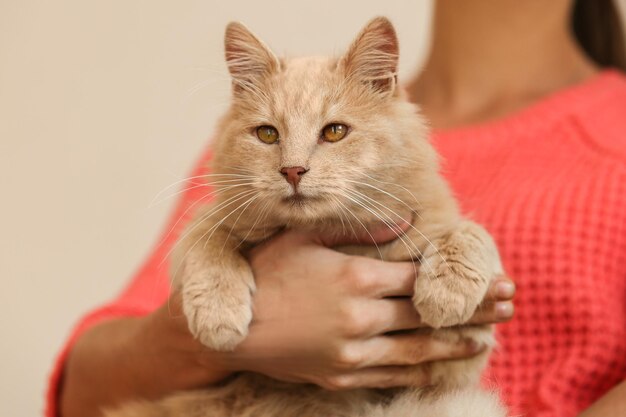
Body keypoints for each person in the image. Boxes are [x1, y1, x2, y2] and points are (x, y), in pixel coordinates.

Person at [50, 0, 626, 416]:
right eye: (271, 135)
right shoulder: (248, 171)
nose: (294, 164)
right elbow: (81, 392)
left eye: (333, 131)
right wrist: (209, 336)